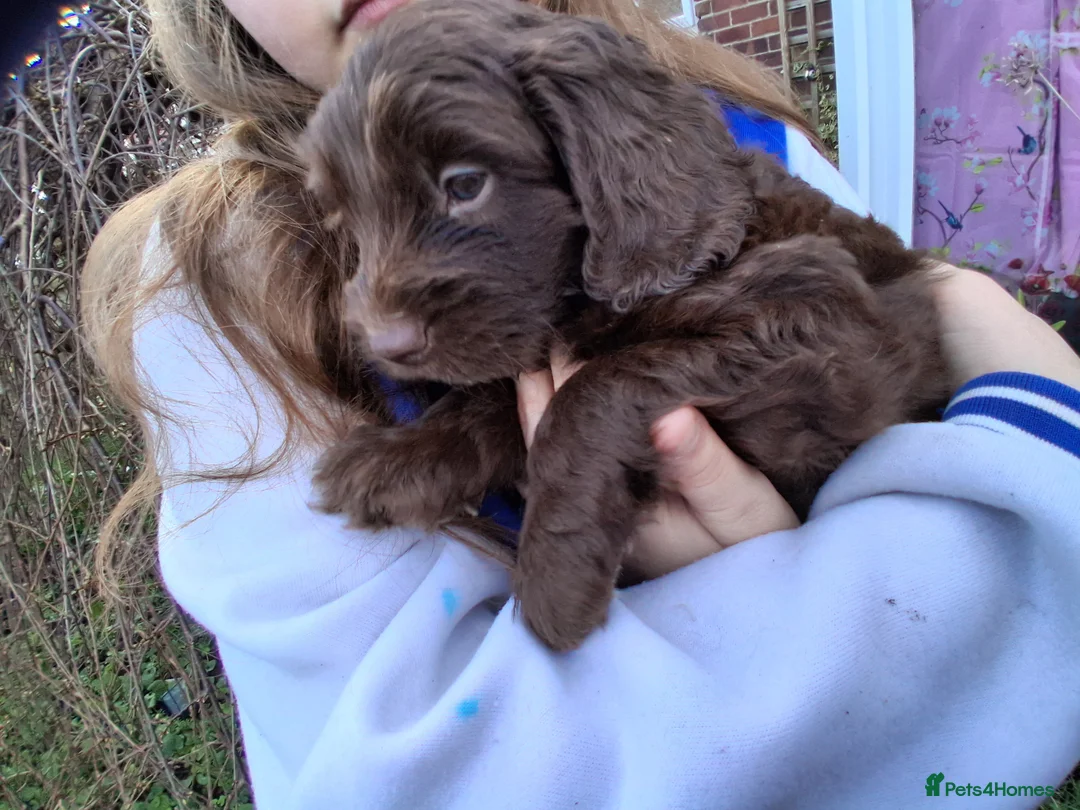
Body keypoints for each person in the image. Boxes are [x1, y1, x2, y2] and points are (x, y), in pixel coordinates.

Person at [80, 0, 1080, 806]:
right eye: (354, 233)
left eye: (462, 183)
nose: (379, 317)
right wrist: (1036, 422)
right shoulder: (220, 296)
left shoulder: (725, 123)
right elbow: (424, 775)